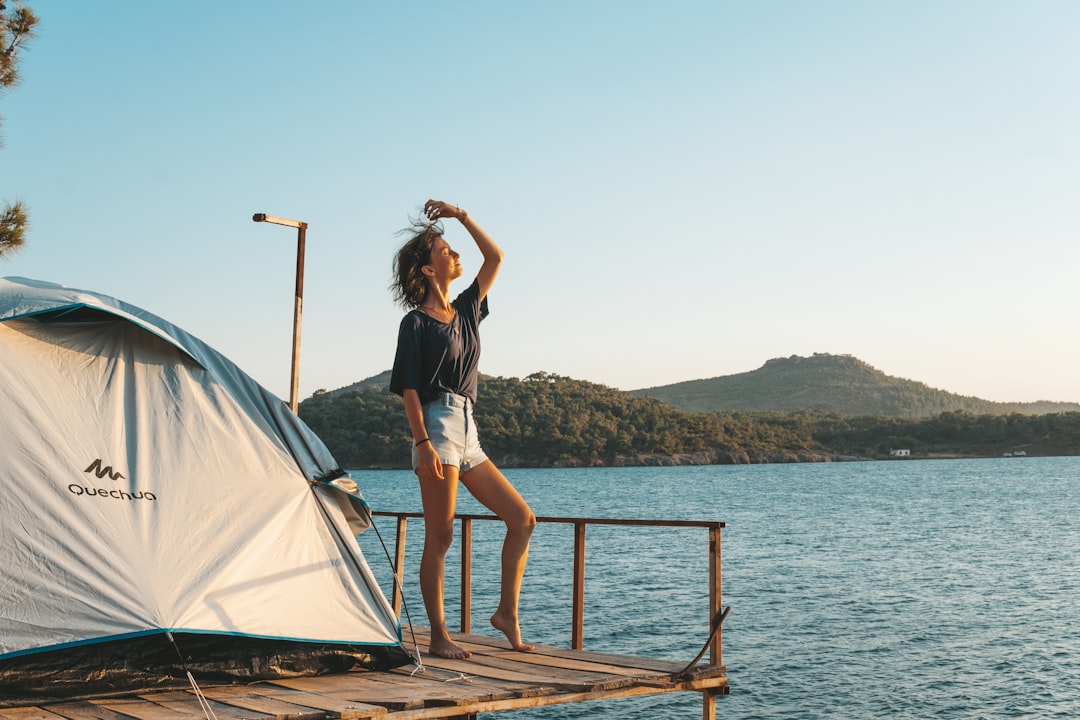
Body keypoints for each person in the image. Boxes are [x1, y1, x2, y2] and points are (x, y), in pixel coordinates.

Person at [389, 199, 536, 660]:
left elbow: (496, 258)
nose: (454, 254)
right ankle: (438, 636)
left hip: (469, 429)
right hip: (435, 427)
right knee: (442, 536)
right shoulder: (415, 323)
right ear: (429, 270)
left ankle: (505, 614)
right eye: (444, 249)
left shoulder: (468, 309)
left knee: (522, 519)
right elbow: (409, 390)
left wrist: (460, 215)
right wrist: (423, 443)